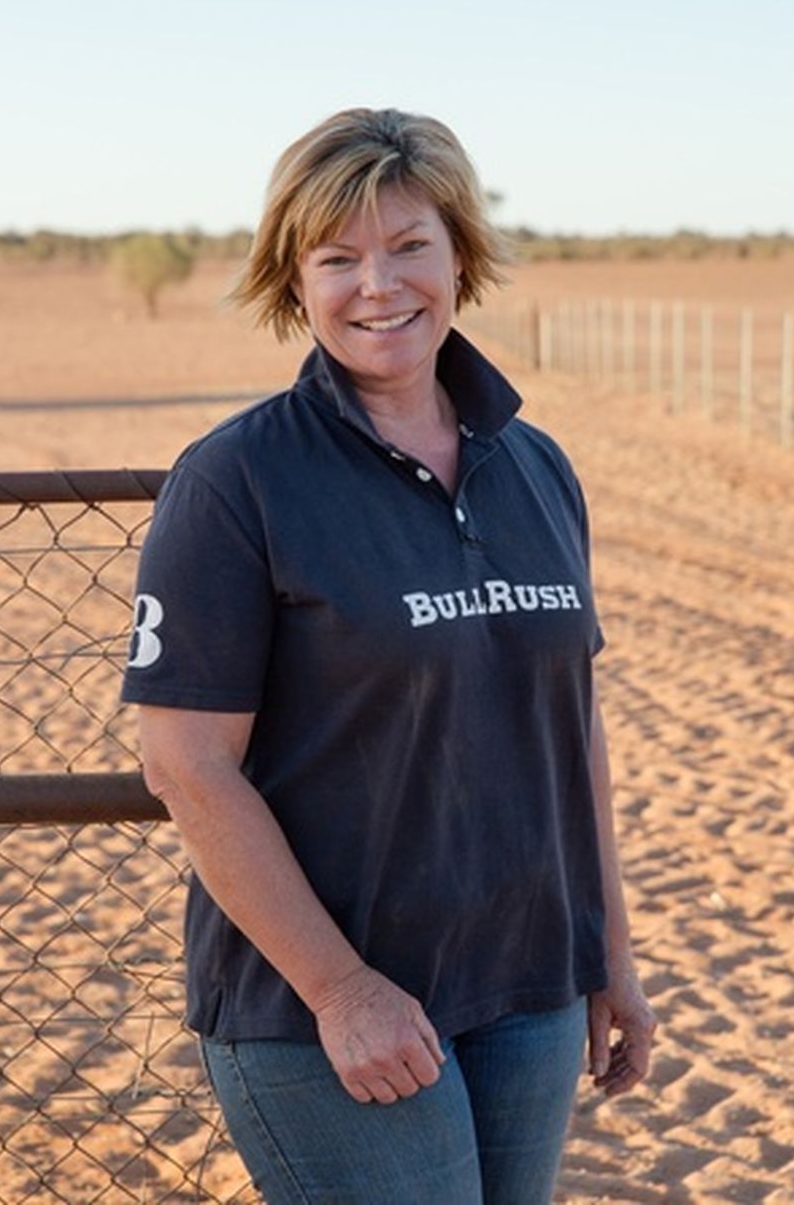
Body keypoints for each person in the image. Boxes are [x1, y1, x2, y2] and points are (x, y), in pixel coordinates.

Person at [121, 107, 655, 1204]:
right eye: (338, 257)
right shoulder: (237, 480)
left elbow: (574, 727)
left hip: (526, 987)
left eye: (410, 244)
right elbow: (186, 763)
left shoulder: (536, 467)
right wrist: (342, 988)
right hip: (322, 1006)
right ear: (294, 281)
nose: (380, 284)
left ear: (460, 252)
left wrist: (611, 954)